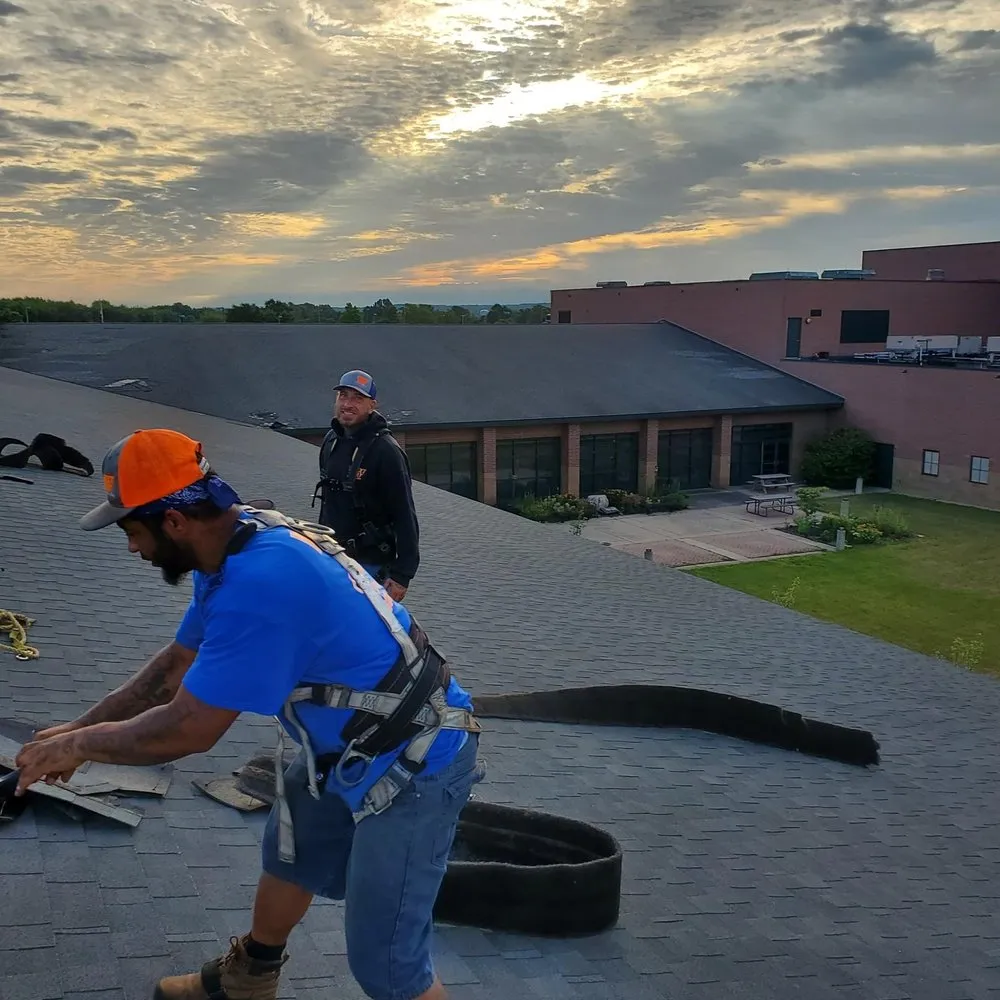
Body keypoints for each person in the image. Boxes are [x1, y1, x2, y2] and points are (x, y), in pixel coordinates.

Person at [14, 428, 484, 1000]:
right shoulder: (234, 546)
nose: (131, 548)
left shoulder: (262, 581)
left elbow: (190, 728)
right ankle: (249, 977)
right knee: (291, 852)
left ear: (174, 522)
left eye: (132, 531)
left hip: (412, 761)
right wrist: (80, 727)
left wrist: (75, 750)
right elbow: (173, 669)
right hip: (345, 749)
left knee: (387, 965)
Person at [315, 369, 419, 603]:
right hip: (332, 560)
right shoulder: (331, 442)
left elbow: (405, 515)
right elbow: (328, 504)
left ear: (372, 405)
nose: (348, 404)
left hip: (370, 566)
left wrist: (402, 575)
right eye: (343, 396)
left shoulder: (386, 451)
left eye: (357, 398)